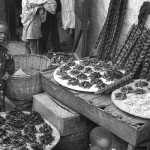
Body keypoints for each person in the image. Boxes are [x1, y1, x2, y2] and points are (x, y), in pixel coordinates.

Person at [0, 21, 15, 111]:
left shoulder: (5, 52)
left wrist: (7, 71)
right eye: (0, 33)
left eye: (5, 34)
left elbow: (10, 63)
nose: (3, 36)